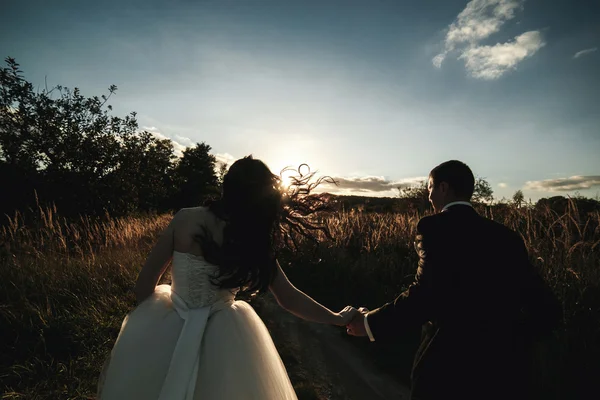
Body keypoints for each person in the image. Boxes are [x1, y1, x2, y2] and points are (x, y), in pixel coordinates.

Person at [97, 156, 358, 399]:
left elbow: (143, 287)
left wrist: (151, 331)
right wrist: (337, 318)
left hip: (170, 324)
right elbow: (289, 299)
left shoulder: (185, 219)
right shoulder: (254, 238)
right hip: (227, 336)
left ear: (225, 187)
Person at [346, 160, 561, 400]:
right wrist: (509, 341)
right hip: (504, 376)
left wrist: (368, 323)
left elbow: (423, 297)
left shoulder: (434, 227)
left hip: (446, 372)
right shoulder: (508, 237)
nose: (428, 196)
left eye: (430, 188)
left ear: (443, 188)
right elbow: (546, 308)